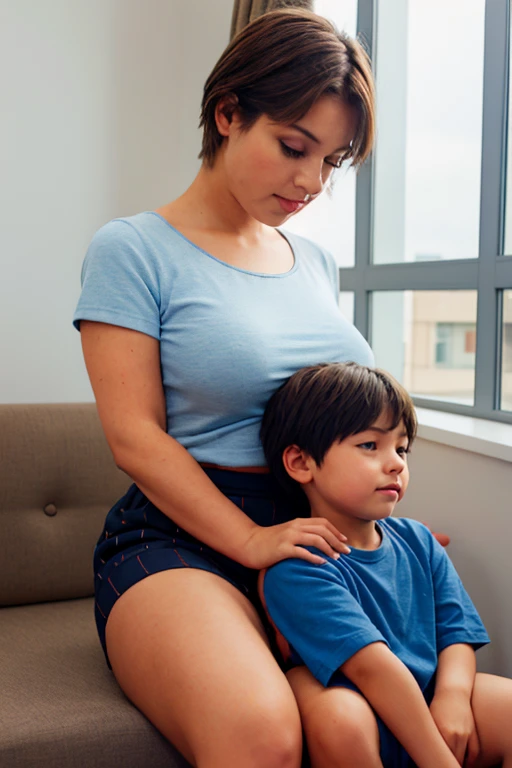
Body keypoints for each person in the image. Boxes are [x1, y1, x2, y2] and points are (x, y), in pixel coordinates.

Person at [73, 9, 442, 767]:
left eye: (332, 161)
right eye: (293, 147)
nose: (311, 182)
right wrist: (248, 538)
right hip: (180, 535)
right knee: (263, 735)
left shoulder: (312, 262)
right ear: (228, 113)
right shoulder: (134, 250)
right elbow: (134, 437)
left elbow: (333, 415)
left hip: (312, 529)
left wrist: (375, 525)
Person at [259, 361, 512, 768]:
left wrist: (452, 697)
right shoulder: (298, 567)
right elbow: (374, 670)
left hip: (430, 699)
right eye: (369, 446)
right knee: (339, 716)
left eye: (401, 448)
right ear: (302, 463)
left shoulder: (419, 541)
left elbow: (456, 634)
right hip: (364, 714)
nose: (395, 462)